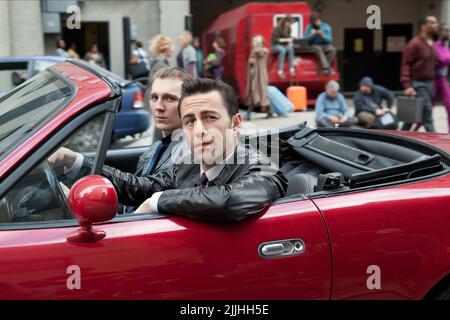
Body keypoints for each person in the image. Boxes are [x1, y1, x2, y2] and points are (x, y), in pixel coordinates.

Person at [109, 78, 287, 221]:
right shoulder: (187, 165)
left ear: (235, 123)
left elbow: (230, 201)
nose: (200, 130)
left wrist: (156, 202)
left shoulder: (263, 169)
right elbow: (141, 187)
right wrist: (83, 164)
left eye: (210, 117)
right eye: (190, 121)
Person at [48, 67, 192, 211]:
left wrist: (73, 159)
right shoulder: (153, 150)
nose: (159, 107)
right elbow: (131, 203)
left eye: (170, 98)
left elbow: (146, 190)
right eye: (155, 98)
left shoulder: (191, 153)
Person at [400, 16, 439, 132]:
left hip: (430, 84)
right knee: (427, 113)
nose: (436, 25)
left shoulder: (433, 43)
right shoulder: (414, 43)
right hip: (418, 84)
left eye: (436, 23)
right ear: (423, 25)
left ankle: (400, 135)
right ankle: (435, 142)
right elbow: (406, 64)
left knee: (413, 115)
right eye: (432, 23)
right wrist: (407, 85)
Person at [413, 23, 450, 133]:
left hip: (442, 80)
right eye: (445, 31)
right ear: (439, 32)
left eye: (448, 31)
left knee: (449, 106)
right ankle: (413, 130)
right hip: (432, 80)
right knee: (426, 110)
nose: (448, 33)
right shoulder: (434, 46)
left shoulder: (446, 47)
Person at [246, 34, 270, 116]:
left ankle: (268, 111)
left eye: (256, 40)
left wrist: (258, 47)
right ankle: (249, 113)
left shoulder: (263, 50)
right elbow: (251, 60)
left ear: (261, 42)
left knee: (262, 93)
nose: (254, 42)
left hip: (261, 76)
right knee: (255, 93)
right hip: (255, 76)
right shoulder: (254, 51)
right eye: (254, 40)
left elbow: (261, 53)